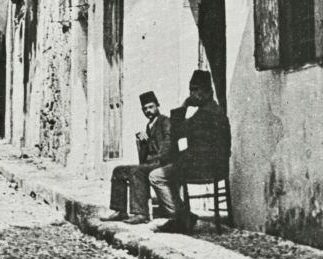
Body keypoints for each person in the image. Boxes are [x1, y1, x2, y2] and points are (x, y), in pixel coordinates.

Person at [149, 70, 231, 235]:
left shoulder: (204, 114)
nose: (194, 94)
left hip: (201, 168)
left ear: (208, 92)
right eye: (192, 90)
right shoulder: (217, 111)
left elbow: (177, 131)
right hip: (219, 168)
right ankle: (182, 216)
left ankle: (181, 218)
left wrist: (185, 105)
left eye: (197, 90)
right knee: (172, 169)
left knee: (156, 176)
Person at [99, 91, 173, 225]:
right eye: (145, 109)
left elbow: (168, 144)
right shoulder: (149, 126)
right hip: (151, 162)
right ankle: (119, 210)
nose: (148, 111)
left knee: (136, 171)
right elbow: (144, 156)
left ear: (157, 105)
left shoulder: (165, 121)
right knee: (118, 170)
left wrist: (153, 151)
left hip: (163, 163)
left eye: (151, 107)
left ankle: (140, 213)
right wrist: (143, 140)